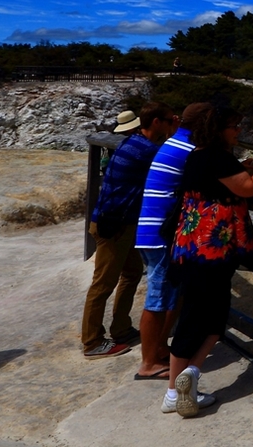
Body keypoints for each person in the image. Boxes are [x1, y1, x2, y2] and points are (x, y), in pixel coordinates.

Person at [164, 108, 253, 417]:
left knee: (208, 317)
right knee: (203, 319)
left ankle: (185, 380)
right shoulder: (217, 157)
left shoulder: (197, 156)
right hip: (211, 252)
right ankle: (178, 386)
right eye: (233, 124)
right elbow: (250, 188)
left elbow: (223, 182)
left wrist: (240, 168)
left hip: (188, 247)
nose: (237, 129)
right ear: (218, 129)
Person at [81, 104, 175, 360]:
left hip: (115, 223)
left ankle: (121, 329)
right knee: (103, 284)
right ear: (156, 123)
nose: (170, 125)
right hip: (115, 226)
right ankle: (92, 342)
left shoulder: (130, 143)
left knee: (132, 273)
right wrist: (175, 133)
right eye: (168, 121)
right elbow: (175, 162)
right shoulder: (145, 149)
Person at [133, 103, 205, 381]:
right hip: (160, 235)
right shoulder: (189, 150)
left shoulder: (175, 143)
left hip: (152, 231)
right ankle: (148, 364)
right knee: (157, 299)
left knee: (168, 294)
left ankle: (159, 349)